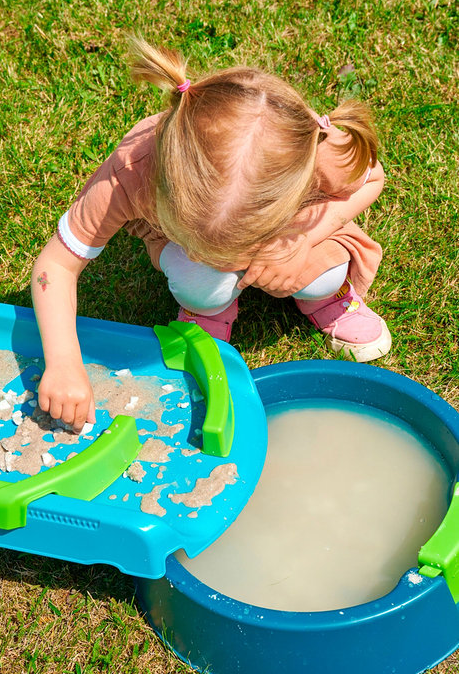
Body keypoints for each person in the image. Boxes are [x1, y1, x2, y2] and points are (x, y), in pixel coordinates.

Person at [31, 39, 388, 432]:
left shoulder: (317, 150)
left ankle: (329, 296)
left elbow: (373, 179)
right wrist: (63, 361)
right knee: (200, 284)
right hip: (187, 250)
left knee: (324, 275)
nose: (234, 260)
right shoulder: (131, 171)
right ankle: (207, 308)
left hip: (293, 235)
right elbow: (57, 265)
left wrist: (304, 237)